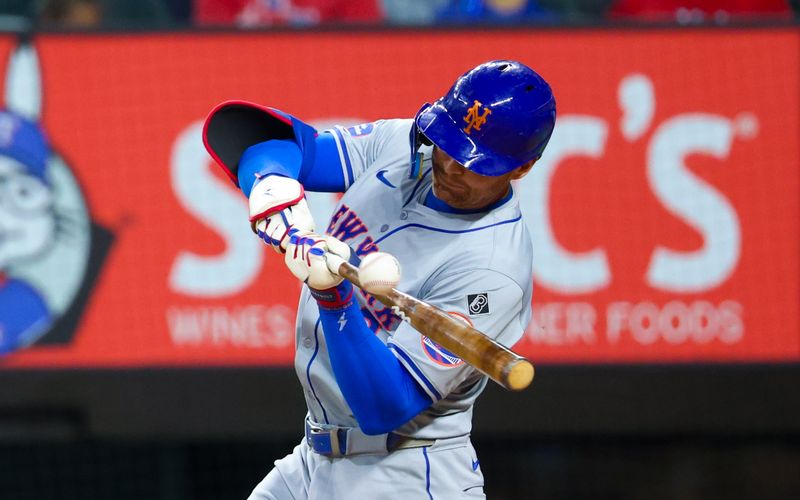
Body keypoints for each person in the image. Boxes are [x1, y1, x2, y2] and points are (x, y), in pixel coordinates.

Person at [202, 59, 556, 499]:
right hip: (314, 457)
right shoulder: (402, 146)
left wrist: (334, 297)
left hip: (403, 474)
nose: (449, 166)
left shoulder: (492, 271)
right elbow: (264, 136)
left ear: (521, 168)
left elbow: (384, 406)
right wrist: (271, 184)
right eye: (448, 143)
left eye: (472, 163)